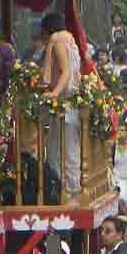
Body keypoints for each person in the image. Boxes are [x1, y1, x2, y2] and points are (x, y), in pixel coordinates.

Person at [41, 13, 83, 203]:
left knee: (58, 149)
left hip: (64, 102)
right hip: (72, 101)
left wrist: (54, 93)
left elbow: (65, 72)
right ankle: (71, 189)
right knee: (69, 147)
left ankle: (63, 190)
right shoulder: (71, 39)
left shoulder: (57, 39)